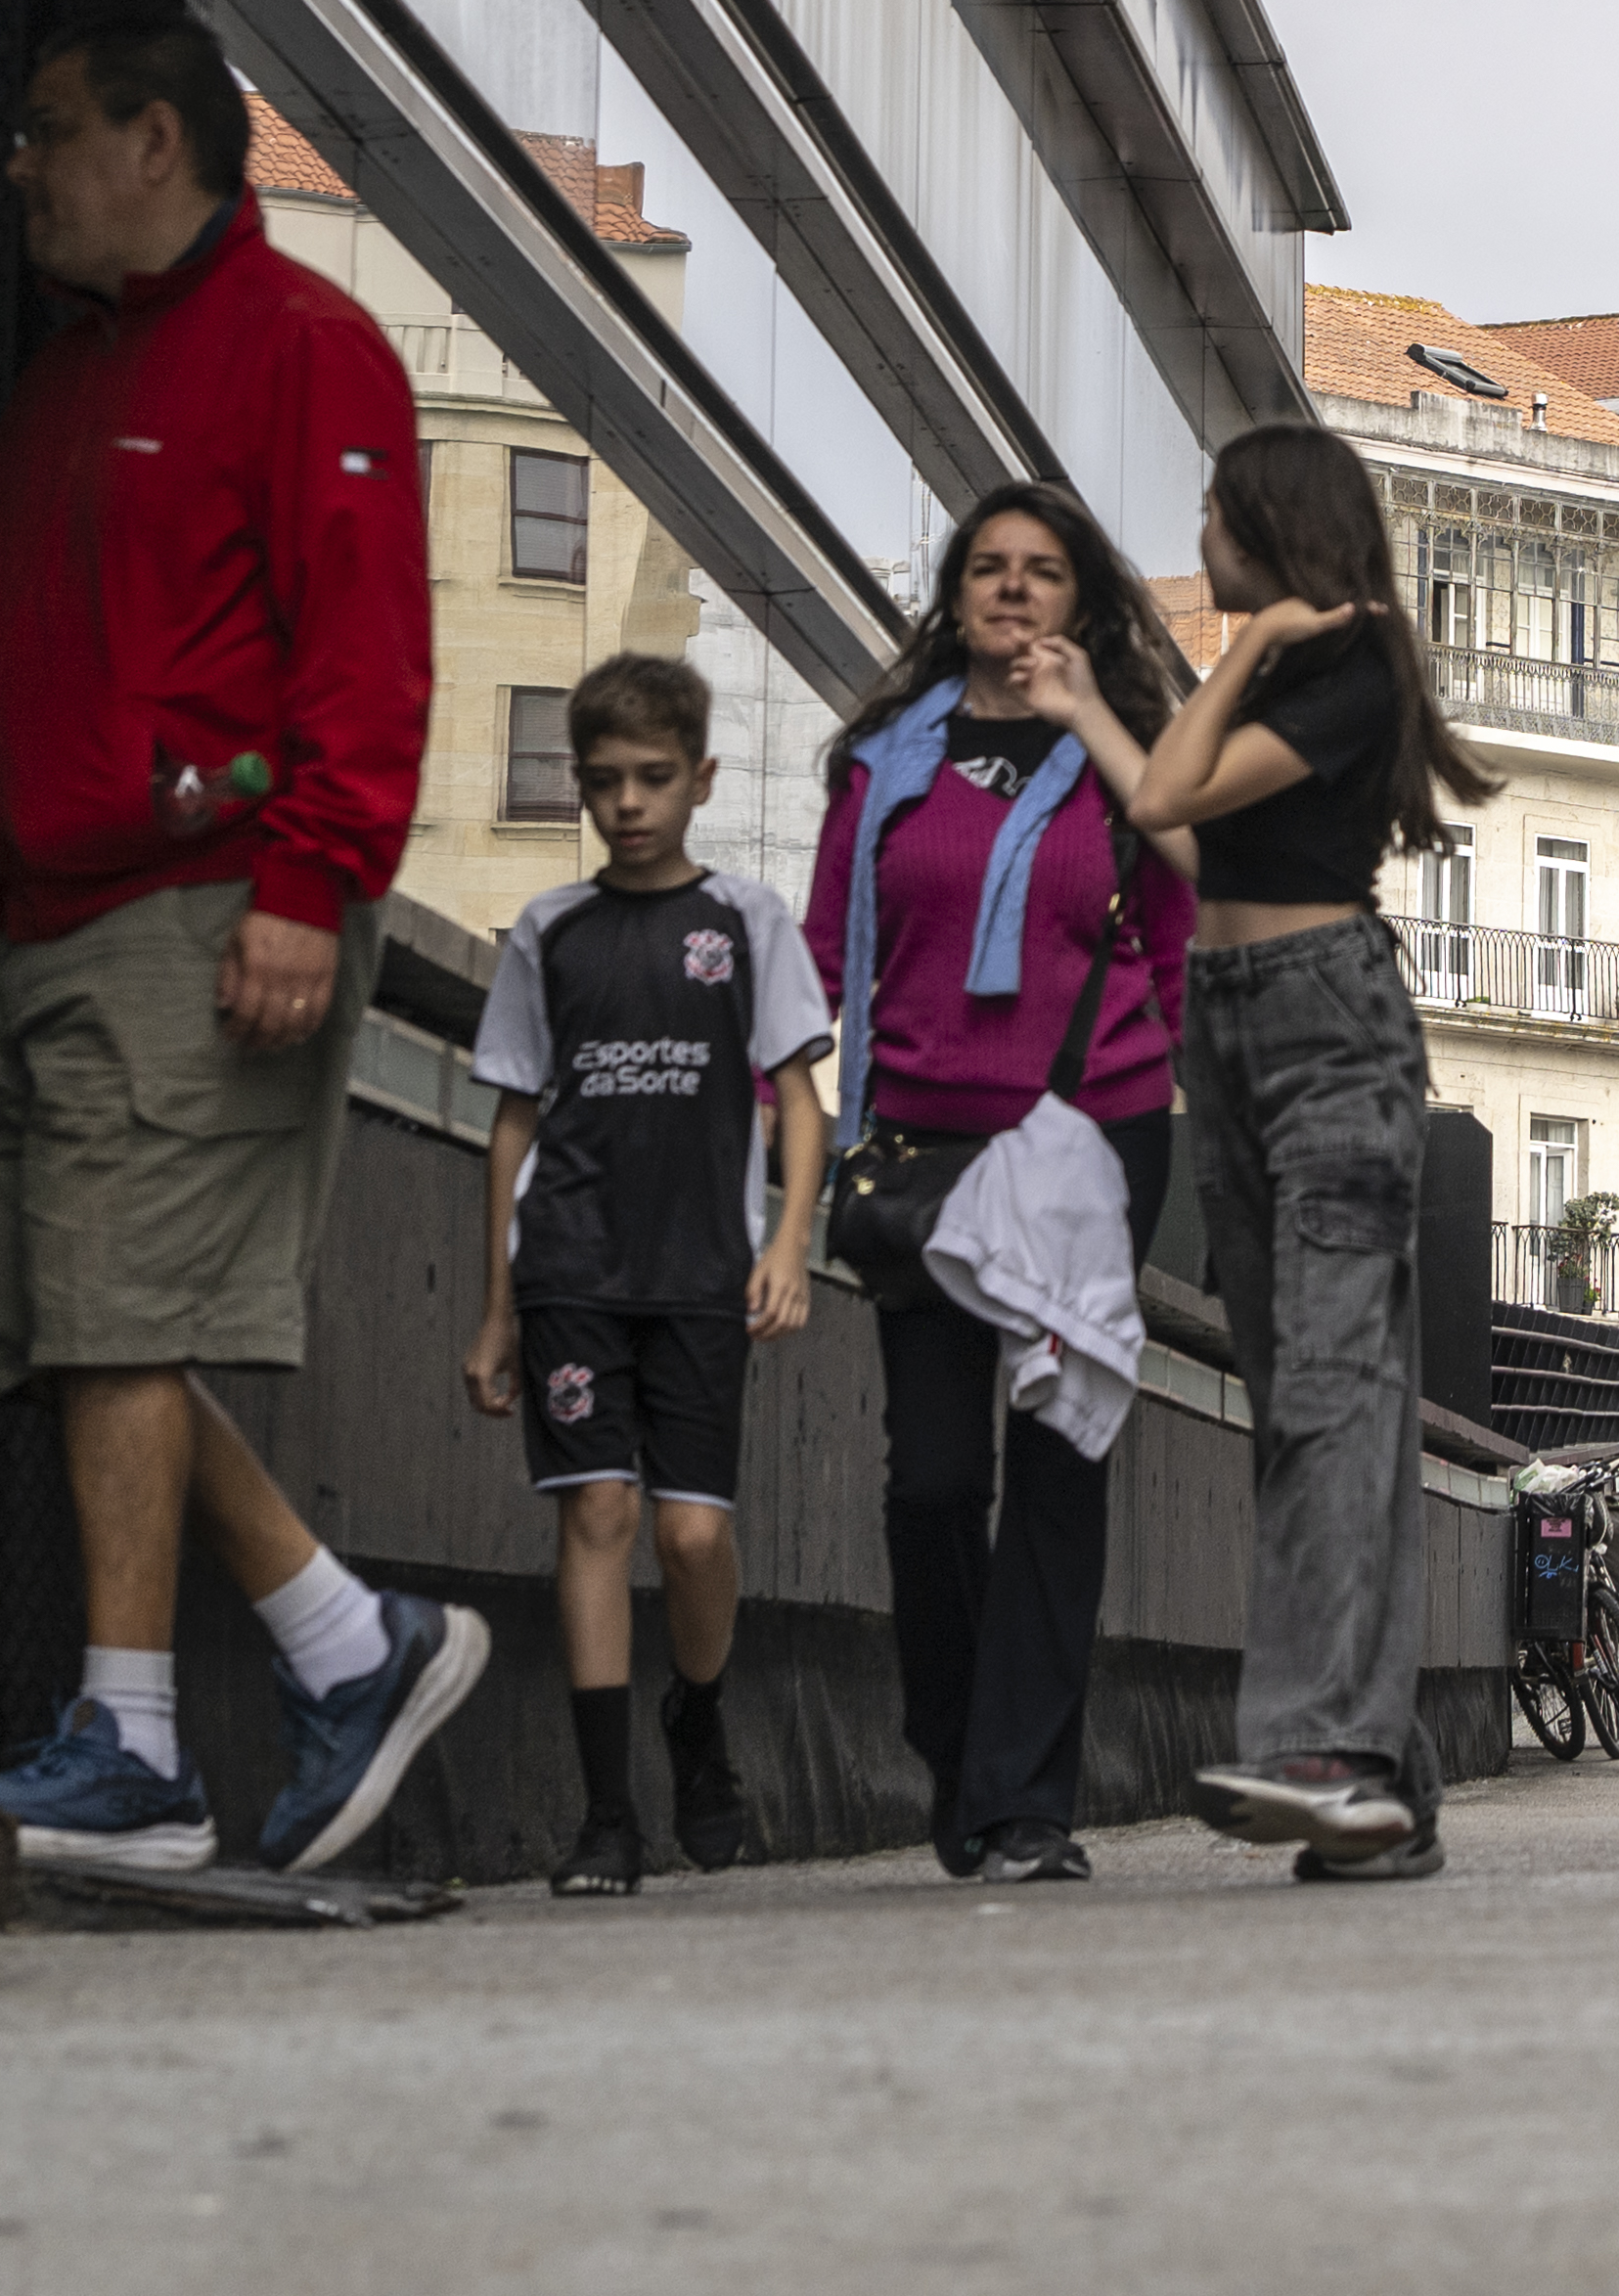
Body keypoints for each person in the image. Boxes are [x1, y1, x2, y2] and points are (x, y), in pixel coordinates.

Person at [0, 20, 496, 1878]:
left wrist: (305, 884)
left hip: (192, 911)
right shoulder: (62, 379)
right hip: (40, 926)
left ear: (155, 138)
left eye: (48, 128)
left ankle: (137, 1748)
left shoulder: (302, 346)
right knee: (85, 1332)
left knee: (112, 1319)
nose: (19, 164)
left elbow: (368, 647)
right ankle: (343, 1638)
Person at [1061, 418, 1498, 1883]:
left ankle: (1322, 1743)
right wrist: (1091, 704)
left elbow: (1165, 797)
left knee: (1325, 1393)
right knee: (1308, 1402)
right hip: (1234, 1021)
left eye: (1214, 509)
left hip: (1326, 1028)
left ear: (1269, 521)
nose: (1196, 531)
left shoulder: (1353, 654)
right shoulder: (1288, 671)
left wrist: (1244, 644)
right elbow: (1194, 845)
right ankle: (1384, 1780)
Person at [828, 481, 1205, 1883]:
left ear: (1078, 597)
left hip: (1087, 1135)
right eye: (986, 565)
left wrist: (1177, 1093)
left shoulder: (1120, 757)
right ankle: (957, 1747)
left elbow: (1182, 921)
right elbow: (824, 947)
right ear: (955, 594)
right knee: (930, 1478)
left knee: (1059, 1460)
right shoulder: (883, 759)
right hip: (921, 1145)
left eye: (1040, 568)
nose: (1010, 586)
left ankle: (1029, 1799)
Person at [460, 650, 827, 1897]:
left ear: (700, 778)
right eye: (605, 777)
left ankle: (697, 1712)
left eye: (653, 776)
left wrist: (787, 1241)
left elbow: (797, 1096)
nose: (627, 801)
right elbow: (512, 1123)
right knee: (598, 1513)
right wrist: (496, 1307)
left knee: (689, 1531)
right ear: (578, 779)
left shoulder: (746, 922)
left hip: (700, 1272)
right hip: (570, 1265)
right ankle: (606, 1817)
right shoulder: (548, 930)